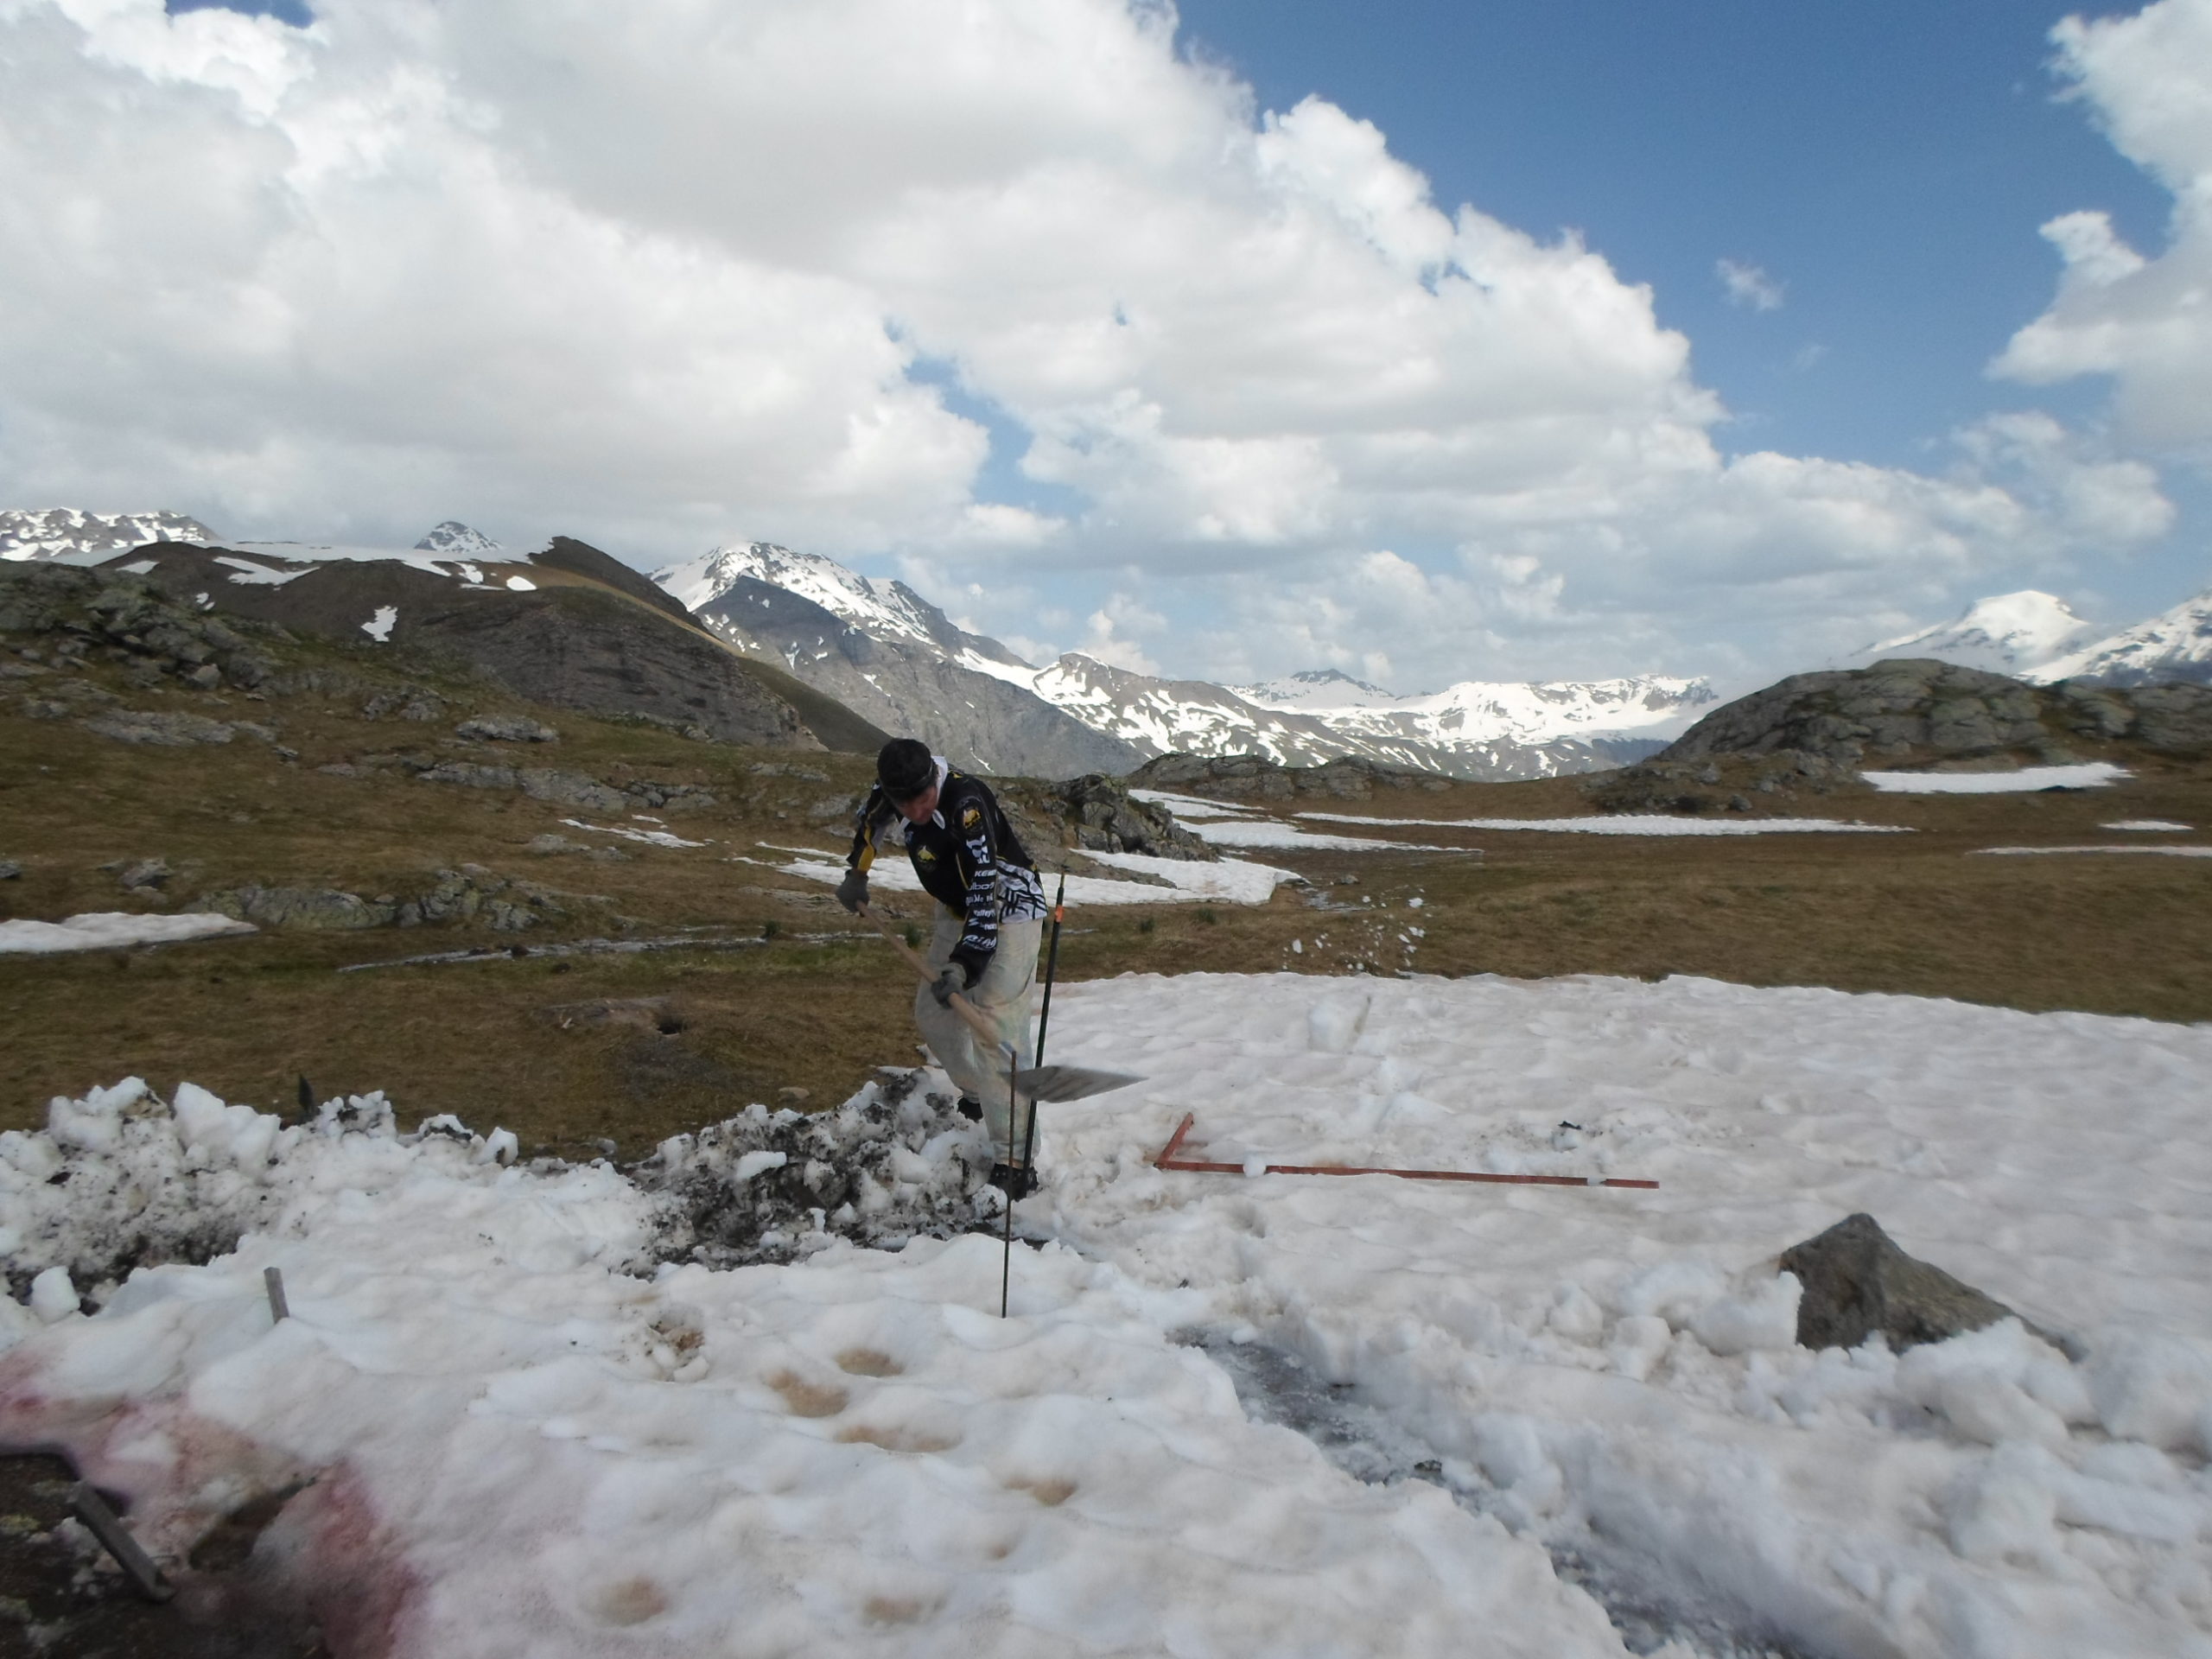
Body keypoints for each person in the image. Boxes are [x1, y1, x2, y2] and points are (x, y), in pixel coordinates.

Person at [837, 738, 1050, 1198]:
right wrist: (857, 873)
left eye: (922, 798)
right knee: (933, 1014)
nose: (914, 810)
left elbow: (983, 895)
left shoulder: (966, 806)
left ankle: (1016, 1157)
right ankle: (977, 1092)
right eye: (904, 802)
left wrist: (964, 966)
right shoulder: (892, 792)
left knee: (996, 1028)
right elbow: (872, 821)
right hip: (953, 910)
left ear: (934, 780)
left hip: (1006, 908)